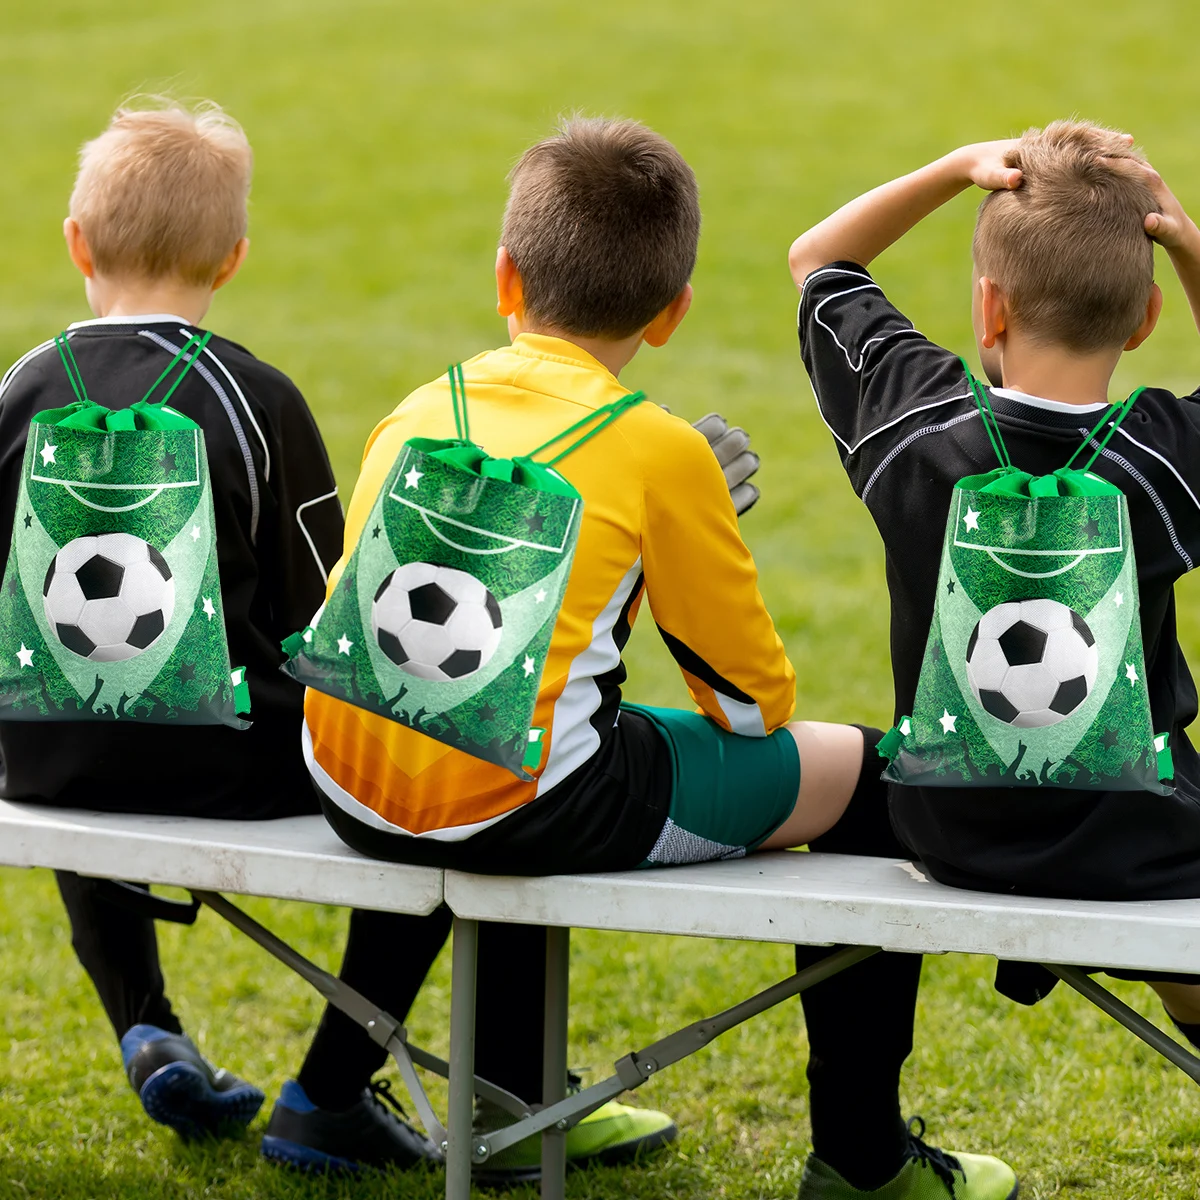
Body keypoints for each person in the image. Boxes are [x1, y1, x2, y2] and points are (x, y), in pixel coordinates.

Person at [291, 115, 1017, 1199]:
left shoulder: (416, 407)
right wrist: (687, 526)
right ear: (674, 313)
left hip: (347, 775)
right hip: (522, 801)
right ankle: (864, 1163)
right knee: (864, 772)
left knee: (530, 740)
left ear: (505, 274)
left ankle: (504, 1101)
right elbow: (750, 705)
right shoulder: (662, 450)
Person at [0, 98, 684, 1182]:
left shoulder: (22, 386)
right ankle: (327, 1084)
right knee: (413, 744)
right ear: (232, 259)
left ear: (76, 243)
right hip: (234, 764)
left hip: (36, 763)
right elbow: (335, 614)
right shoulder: (254, 396)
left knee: (89, 701)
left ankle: (144, 1019)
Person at [789, 115, 1200, 1177]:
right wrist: (1182, 235)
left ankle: (858, 1157)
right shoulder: (1164, 462)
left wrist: (953, 167)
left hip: (946, 828)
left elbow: (819, 259)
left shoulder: (914, 428)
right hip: (1141, 844)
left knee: (845, 796)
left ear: (988, 305)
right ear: (1149, 318)